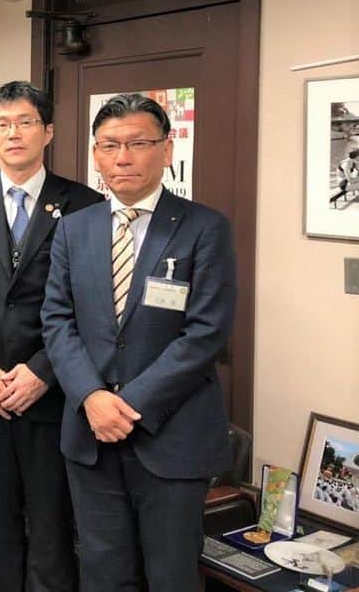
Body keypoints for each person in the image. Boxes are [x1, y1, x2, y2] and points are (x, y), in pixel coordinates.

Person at [41, 93, 237, 592]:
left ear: (166, 150)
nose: (122, 157)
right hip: (91, 437)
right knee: (103, 574)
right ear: (95, 154)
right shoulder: (74, 229)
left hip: (172, 438)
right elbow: (57, 321)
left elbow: (205, 333)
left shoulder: (204, 228)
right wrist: (91, 397)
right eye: (109, 145)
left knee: (171, 577)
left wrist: (126, 407)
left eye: (137, 143)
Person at [0, 81, 103, 592]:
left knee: (51, 514)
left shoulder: (82, 204)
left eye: (25, 122)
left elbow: (90, 304)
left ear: (48, 131)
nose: (14, 133)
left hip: (52, 388)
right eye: (2, 125)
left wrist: (42, 371)